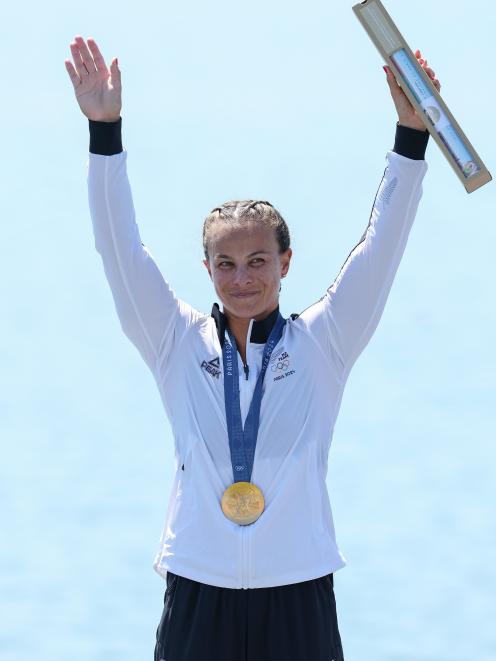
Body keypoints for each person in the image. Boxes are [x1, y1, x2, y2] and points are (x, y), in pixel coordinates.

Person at [65, 35, 441, 661]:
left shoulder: (325, 341)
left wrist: (410, 138)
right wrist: (105, 134)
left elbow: (382, 247)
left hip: (297, 593)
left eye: (259, 260)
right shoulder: (174, 341)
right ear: (207, 267)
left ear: (286, 262)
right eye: (227, 263)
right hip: (198, 590)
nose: (243, 278)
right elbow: (120, 250)